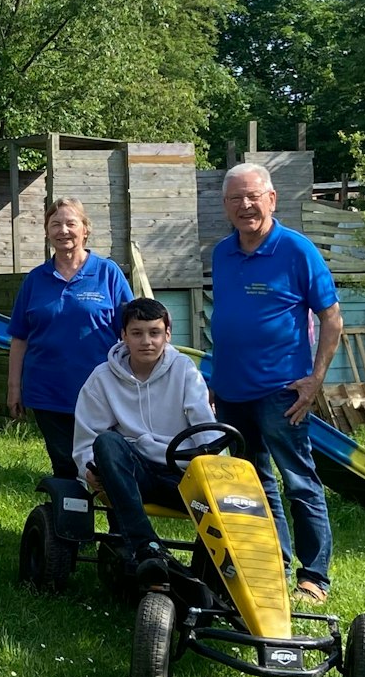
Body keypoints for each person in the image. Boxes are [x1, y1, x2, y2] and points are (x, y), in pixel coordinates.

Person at [209, 161, 340, 603]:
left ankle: (314, 578)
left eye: (252, 196)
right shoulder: (222, 253)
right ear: (225, 206)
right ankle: (272, 562)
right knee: (253, 484)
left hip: (282, 392)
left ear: (271, 199)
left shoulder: (297, 250)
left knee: (298, 480)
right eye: (235, 199)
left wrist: (316, 379)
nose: (245, 205)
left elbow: (332, 319)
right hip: (230, 392)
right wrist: (214, 379)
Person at [71, 298, 218, 577]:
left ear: (168, 335)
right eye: (137, 333)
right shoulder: (102, 378)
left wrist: (217, 466)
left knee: (230, 499)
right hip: (135, 476)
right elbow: (87, 438)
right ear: (124, 336)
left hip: (181, 474)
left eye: (154, 333)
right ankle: (147, 547)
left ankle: (208, 576)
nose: (146, 341)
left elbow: (205, 426)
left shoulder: (185, 370)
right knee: (107, 443)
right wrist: (87, 468)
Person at [7, 198, 134, 479]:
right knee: (65, 467)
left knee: (106, 467)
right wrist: (14, 387)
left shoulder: (107, 273)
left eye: (70, 223)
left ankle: (118, 522)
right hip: (47, 393)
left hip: (102, 392)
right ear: (47, 232)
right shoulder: (35, 280)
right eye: (55, 224)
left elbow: (130, 331)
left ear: (85, 230)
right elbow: (19, 337)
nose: (63, 230)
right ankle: (71, 521)